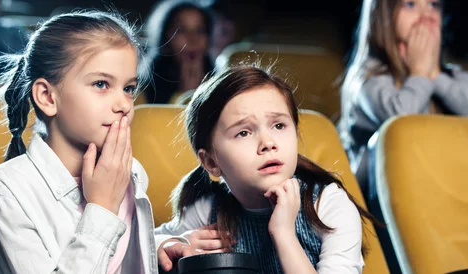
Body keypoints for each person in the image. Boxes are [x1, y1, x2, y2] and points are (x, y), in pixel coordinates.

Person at [0, 11, 183, 273]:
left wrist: (155, 245)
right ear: (47, 97)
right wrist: (102, 207)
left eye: (129, 88)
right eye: (101, 84)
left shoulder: (130, 171)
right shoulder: (6, 190)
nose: (124, 104)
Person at [155, 65, 378, 273]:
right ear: (211, 163)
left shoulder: (327, 205)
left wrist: (283, 234)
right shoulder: (210, 209)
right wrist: (175, 243)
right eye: (243, 132)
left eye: (279, 125)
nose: (268, 143)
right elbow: (142, 242)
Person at [337, 0, 468, 192]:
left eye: (434, 5)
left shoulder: (453, 77)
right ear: (382, 16)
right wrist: (421, 73)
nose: (426, 15)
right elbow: (402, 122)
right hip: (385, 201)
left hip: (444, 191)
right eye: (410, 4)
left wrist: (435, 76)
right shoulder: (368, 80)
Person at [142, 0, 214, 104]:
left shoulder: (217, 77)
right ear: (165, 36)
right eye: (181, 30)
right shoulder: (144, 87)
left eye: (200, 30)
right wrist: (187, 94)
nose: (192, 39)